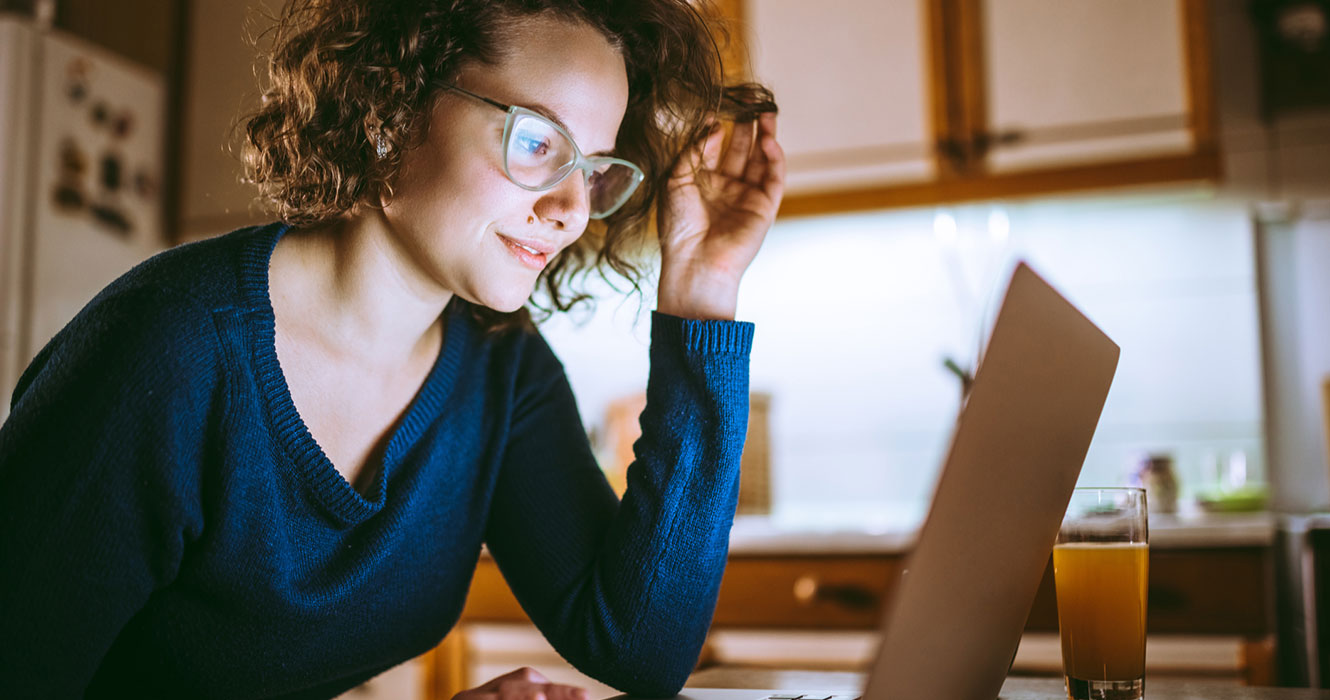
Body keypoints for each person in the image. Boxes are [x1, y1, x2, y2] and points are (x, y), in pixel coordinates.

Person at [0, 0, 784, 698]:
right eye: (539, 141)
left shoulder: (500, 368)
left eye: (593, 168)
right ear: (390, 109)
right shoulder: (167, 355)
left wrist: (703, 292)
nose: (572, 208)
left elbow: (641, 650)